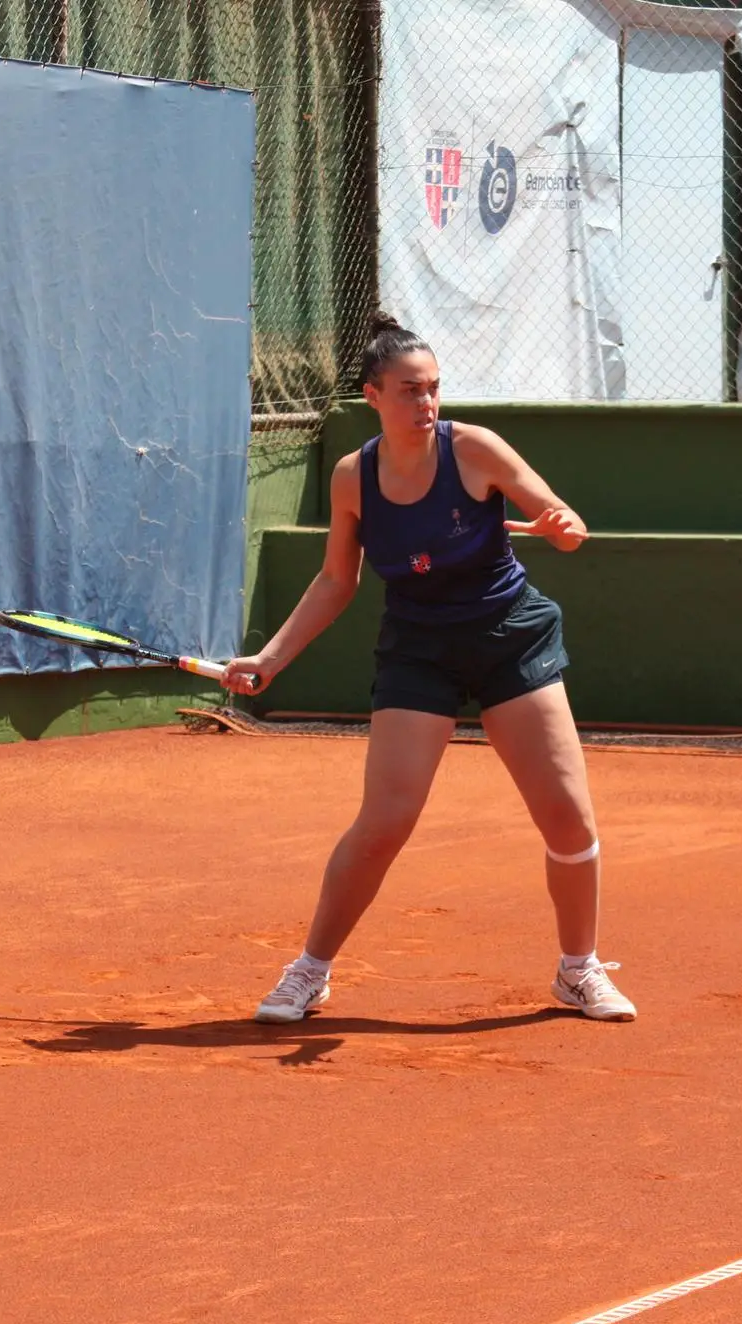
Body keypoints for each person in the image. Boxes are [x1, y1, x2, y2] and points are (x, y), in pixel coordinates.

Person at [222, 312, 636, 1025]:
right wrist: (271, 657)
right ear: (372, 395)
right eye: (410, 391)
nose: (426, 404)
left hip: (510, 639)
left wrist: (563, 524)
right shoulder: (354, 478)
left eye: (434, 389)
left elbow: (555, 513)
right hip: (418, 649)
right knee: (384, 821)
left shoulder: (474, 449)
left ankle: (578, 969)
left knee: (567, 816)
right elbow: (335, 581)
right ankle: (309, 971)